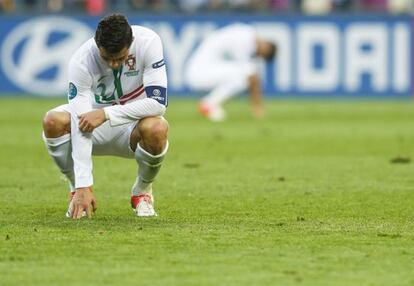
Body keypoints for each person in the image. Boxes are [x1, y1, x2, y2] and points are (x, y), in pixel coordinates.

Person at [42, 13, 169, 219]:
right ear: (97, 45)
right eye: (107, 58)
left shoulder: (149, 42)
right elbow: (80, 123)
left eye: (120, 58)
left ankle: (142, 193)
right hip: (95, 128)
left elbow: (158, 103)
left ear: (132, 42)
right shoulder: (81, 60)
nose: (114, 64)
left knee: (157, 128)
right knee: (52, 121)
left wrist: (106, 113)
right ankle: (76, 192)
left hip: (131, 126)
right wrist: (84, 184)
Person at [185, 23, 276, 121]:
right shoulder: (246, 38)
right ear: (265, 45)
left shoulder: (246, 33)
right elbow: (252, 77)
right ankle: (208, 104)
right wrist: (257, 107)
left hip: (203, 71)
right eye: (261, 54)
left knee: (243, 76)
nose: (258, 55)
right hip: (199, 72)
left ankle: (209, 104)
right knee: (243, 78)